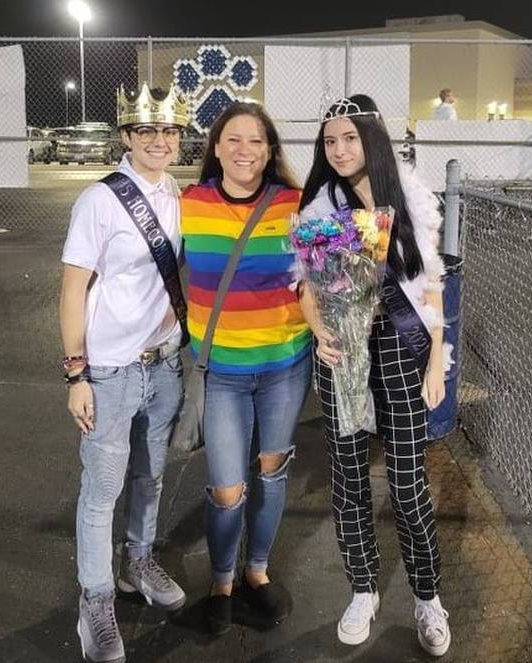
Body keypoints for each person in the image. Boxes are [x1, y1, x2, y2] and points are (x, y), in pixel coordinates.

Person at [298, 94, 452, 657]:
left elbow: (429, 281)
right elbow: (308, 291)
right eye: (330, 141)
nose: (339, 151)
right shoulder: (320, 207)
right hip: (346, 355)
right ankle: (363, 590)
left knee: (409, 488)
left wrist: (437, 355)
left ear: (373, 139)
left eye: (350, 138)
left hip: (402, 350)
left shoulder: (408, 195)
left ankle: (427, 597)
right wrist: (321, 334)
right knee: (350, 482)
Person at [59, 83, 190, 663]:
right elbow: (71, 290)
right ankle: (95, 601)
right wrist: (75, 374)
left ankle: (138, 563)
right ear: (126, 136)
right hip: (109, 372)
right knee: (101, 492)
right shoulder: (99, 200)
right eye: (146, 132)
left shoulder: (176, 193)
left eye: (169, 131)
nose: (159, 141)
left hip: (162, 363)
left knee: (151, 477)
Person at [180, 101, 312, 635]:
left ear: (270, 150)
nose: (244, 151)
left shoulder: (297, 205)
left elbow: (324, 278)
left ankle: (255, 572)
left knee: (272, 474)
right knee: (227, 489)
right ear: (215, 147)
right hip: (222, 372)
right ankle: (220, 582)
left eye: (256, 141)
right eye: (233, 140)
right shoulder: (189, 204)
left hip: (284, 365)